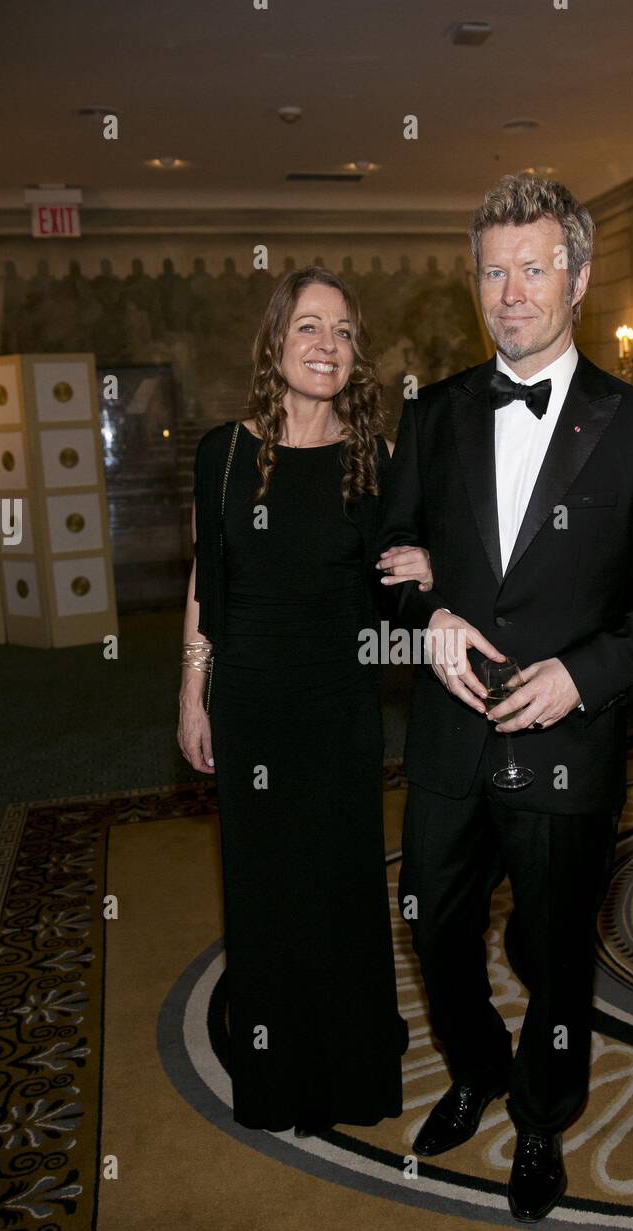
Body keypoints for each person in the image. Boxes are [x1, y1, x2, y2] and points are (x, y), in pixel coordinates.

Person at [376, 173, 633, 1221]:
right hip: (446, 741)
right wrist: (421, 619)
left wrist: (581, 674)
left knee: (561, 956)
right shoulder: (429, 416)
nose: (508, 291)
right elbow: (381, 566)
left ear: (576, 278)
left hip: (568, 749)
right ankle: (473, 1067)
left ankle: (538, 1116)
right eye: (491, 271)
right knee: (433, 924)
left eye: (531, 268)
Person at [177, 266, 432, 1135]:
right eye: (310, 329)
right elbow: (208, 579)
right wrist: (192, 687)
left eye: (344, 331)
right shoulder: (224, 453)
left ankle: (354, 1075)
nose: (328, 345)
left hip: (338, 707)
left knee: (342, 887)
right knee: (265, 891)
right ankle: (278, 1075)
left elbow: (395, 579)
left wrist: (425, 571)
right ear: (277, 343)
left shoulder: (374, 458)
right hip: (251, 703)